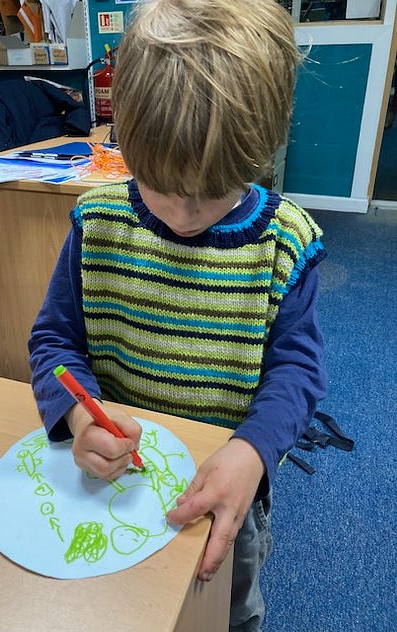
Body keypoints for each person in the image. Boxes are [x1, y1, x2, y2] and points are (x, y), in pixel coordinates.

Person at [28, 1, 327, 629]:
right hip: (116, 481)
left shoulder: (286, 243)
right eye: (161, 184)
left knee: (226, 610)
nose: (184, 216)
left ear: (259, 150)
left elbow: (297, 374)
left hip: (224, 494)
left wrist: (253, 451)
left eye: (210, 191)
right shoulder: (98, 222)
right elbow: (54, 343)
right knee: (119, 607)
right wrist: (82, 416)